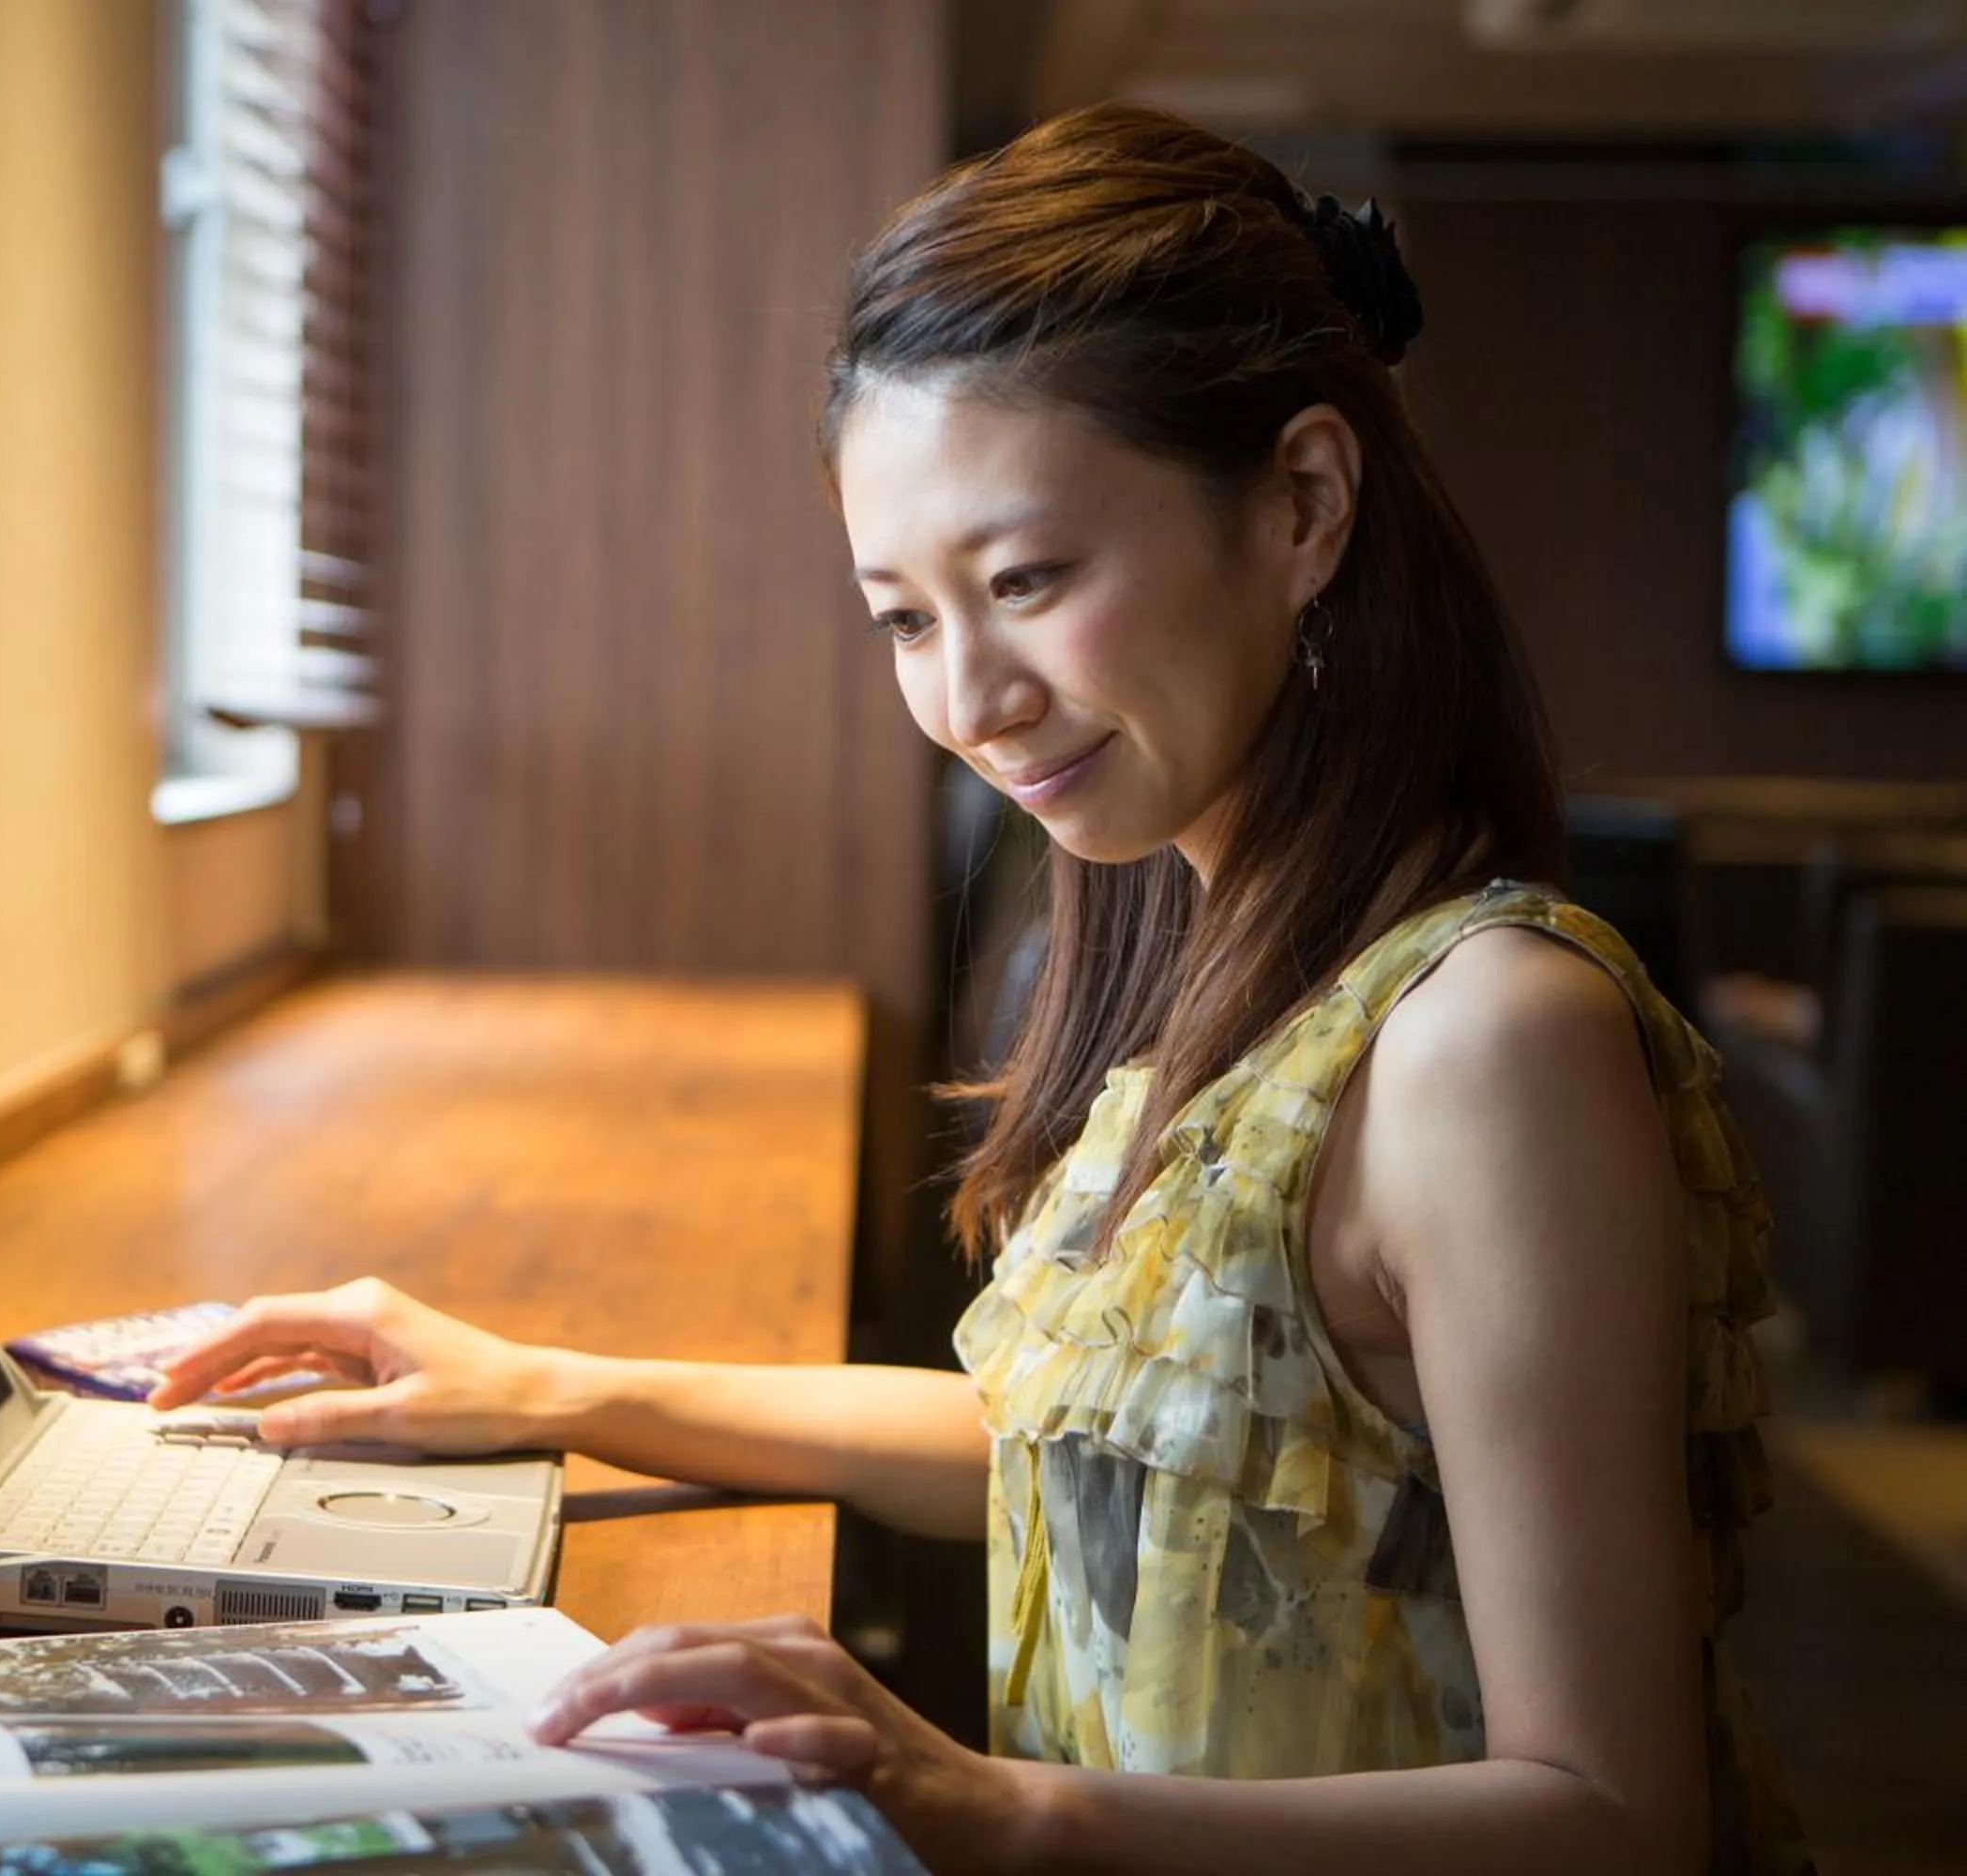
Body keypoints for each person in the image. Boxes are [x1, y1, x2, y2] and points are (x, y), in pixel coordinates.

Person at [151, 101, 1811, 1876]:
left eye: (1027, 582)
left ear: (1305, 505)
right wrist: (542, 1383)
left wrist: (995, 1806)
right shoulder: (1216, 949)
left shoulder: (1489, 1038)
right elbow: (1090, 1454)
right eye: (904, 619)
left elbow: (1618, 1821)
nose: (968, 699)